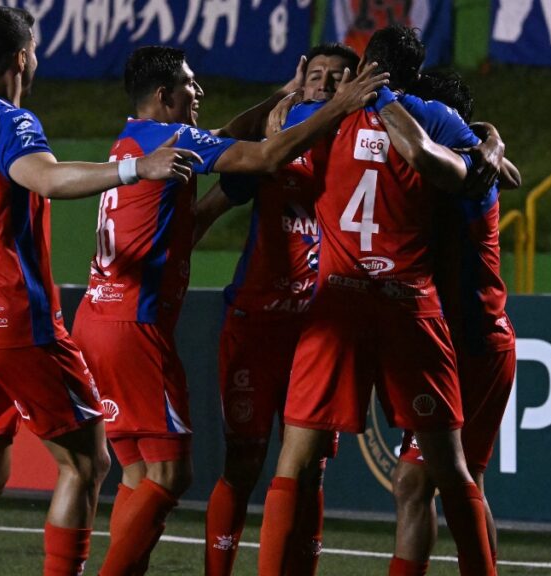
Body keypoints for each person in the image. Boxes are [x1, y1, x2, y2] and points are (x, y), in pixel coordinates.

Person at [0, 7, 199, 576]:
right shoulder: (12, 122)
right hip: (12, 323)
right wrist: (137, 168)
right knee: (86, 465)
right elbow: (48, 178)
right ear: (21, 57)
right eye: (33, 48)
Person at [69, 45, 387, 576]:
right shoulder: (175, 140)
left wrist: (282, 97)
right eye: (190, 85)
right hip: (137, 327)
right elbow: (258, 157)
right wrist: (338, 104)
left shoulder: (138, 139)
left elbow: (223, 140)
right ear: (165, 95)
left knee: (138, 473)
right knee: (173, 476)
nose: (200, 93)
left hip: (99, 319)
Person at [257, 25, 497, 576]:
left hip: (336, 302)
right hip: (408, 304)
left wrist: (297, 96)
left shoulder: (330, 115)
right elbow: (491, 170)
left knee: (295, 461)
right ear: (418, 73)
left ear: (368, 66)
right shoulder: (434, 119)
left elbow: (274, 135)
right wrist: (490, 139)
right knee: (453, 471)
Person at [194, 42, 362, 576]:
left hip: (319, 329)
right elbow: (213, 200)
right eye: (317, 75)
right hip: (256, 324)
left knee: (309, 469)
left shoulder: (367, 150)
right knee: (243, 463)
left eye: (340, 77)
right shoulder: (270, 148)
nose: (327, 85)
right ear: (301, 81)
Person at [389, 71, 520, 576]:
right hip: (461, 342)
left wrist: (486, 144)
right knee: (430, 482)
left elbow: (439, 158)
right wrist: (491, 140)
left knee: (425, 481)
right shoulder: (473, 162)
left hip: (474, 344)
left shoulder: (461, 177)